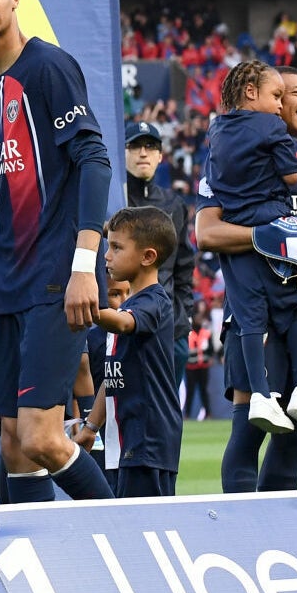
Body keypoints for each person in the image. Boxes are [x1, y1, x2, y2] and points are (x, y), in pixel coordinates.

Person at [0, 0, 114, 502]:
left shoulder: (48, 67)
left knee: (43, 438)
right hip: (7, 285)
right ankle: (35, 552)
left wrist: (83, 266)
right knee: (14, 445)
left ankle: (123, 533)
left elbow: (94, 161)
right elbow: (16, 180)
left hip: (55, 278)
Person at [200, 65, 297, 491]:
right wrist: (267, 236)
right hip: (255, 306)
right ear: (270, 101)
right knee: (250, 426)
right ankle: (240, 521)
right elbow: (206, 233)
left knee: (296, 434)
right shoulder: (231, 150)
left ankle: (277, 523)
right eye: (294, 93)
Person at [201, 61, 297, 435]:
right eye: (278, 96)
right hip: (274, 226)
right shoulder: (271, 127)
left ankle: (262, 396)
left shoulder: (216, 131)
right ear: (251, 92)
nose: (281, 105)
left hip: (235, 234)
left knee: (250, 318)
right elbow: (293, 177)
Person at [74, 207, 183, 498]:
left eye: (117, 248)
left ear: (148, 257)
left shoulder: (154, 301)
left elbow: (123, 323)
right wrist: (91, 427)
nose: (107, 255)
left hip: (148, 438)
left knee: (148, 520)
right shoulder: (130, 304)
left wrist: (83, 304)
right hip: (126, 441)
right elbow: (112, 378)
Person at [122, 120, 195, 397]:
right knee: (125, 407)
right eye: (135, 146)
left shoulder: (174, 204)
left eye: (150, 147)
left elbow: (184, 266)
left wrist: (183, 316)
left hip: (169, 328)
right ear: (123, 152)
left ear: (160, 156)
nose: (143, 153)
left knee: (166, 409)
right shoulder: (111, 200)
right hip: (122, 322)